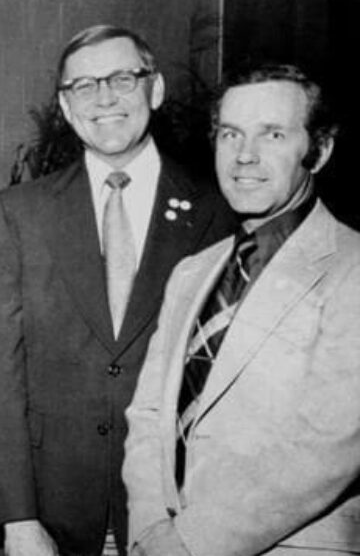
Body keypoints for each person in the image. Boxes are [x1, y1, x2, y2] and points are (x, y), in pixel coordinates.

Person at [0, 25, 236, 555]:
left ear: (155, 89)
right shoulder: (19, 213)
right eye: (84, 86)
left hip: (179, 508)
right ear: (66, 108)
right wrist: (18, 518)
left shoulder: (218, 211)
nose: (104, 99)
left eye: (121, 78)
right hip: (54, 510)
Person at [123, 64, 360, 556]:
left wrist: (190, 544)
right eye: (231, 134)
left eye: (272, 134)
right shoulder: (193, 271)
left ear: (319, 150)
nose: (245, 156)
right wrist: (149, 528)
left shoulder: (351, 267)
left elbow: (330, 444)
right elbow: (147, 415)